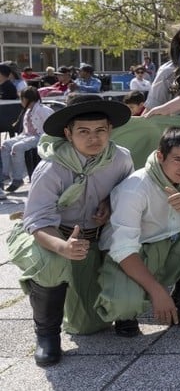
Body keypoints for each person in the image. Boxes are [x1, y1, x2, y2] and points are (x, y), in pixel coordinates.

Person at [6, 94, 133, 366]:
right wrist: (63, 247)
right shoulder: (52, 167)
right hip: (53, 236)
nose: (94, 139)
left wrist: (109, 205)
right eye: (83, 132)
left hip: (95, 240)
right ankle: (47, 335)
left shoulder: (121, 159)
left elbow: (127, 194)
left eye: (100, 130)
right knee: (50, 263)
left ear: (110, 130)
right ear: (68, 133)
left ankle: (121, 306)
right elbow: (38, 221)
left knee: (88, 325)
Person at [95, 126, 180, 336]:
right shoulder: (136, 187)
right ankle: (126, 314)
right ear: (160, 156)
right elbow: (123, 249)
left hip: (167, 246)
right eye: (178, 159)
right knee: (124, 305)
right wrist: (158, 292)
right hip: (132, 255)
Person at [1, 87, 54, 196]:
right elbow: (26, 131)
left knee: (18, 147)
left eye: (22, 99)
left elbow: (51, 126)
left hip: (41, 137)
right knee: (5, 145)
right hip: (27, 135)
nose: (21, 101)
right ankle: (4, 174)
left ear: (26, 99)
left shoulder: (43, 110)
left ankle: (18, 178)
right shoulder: (28, 110)